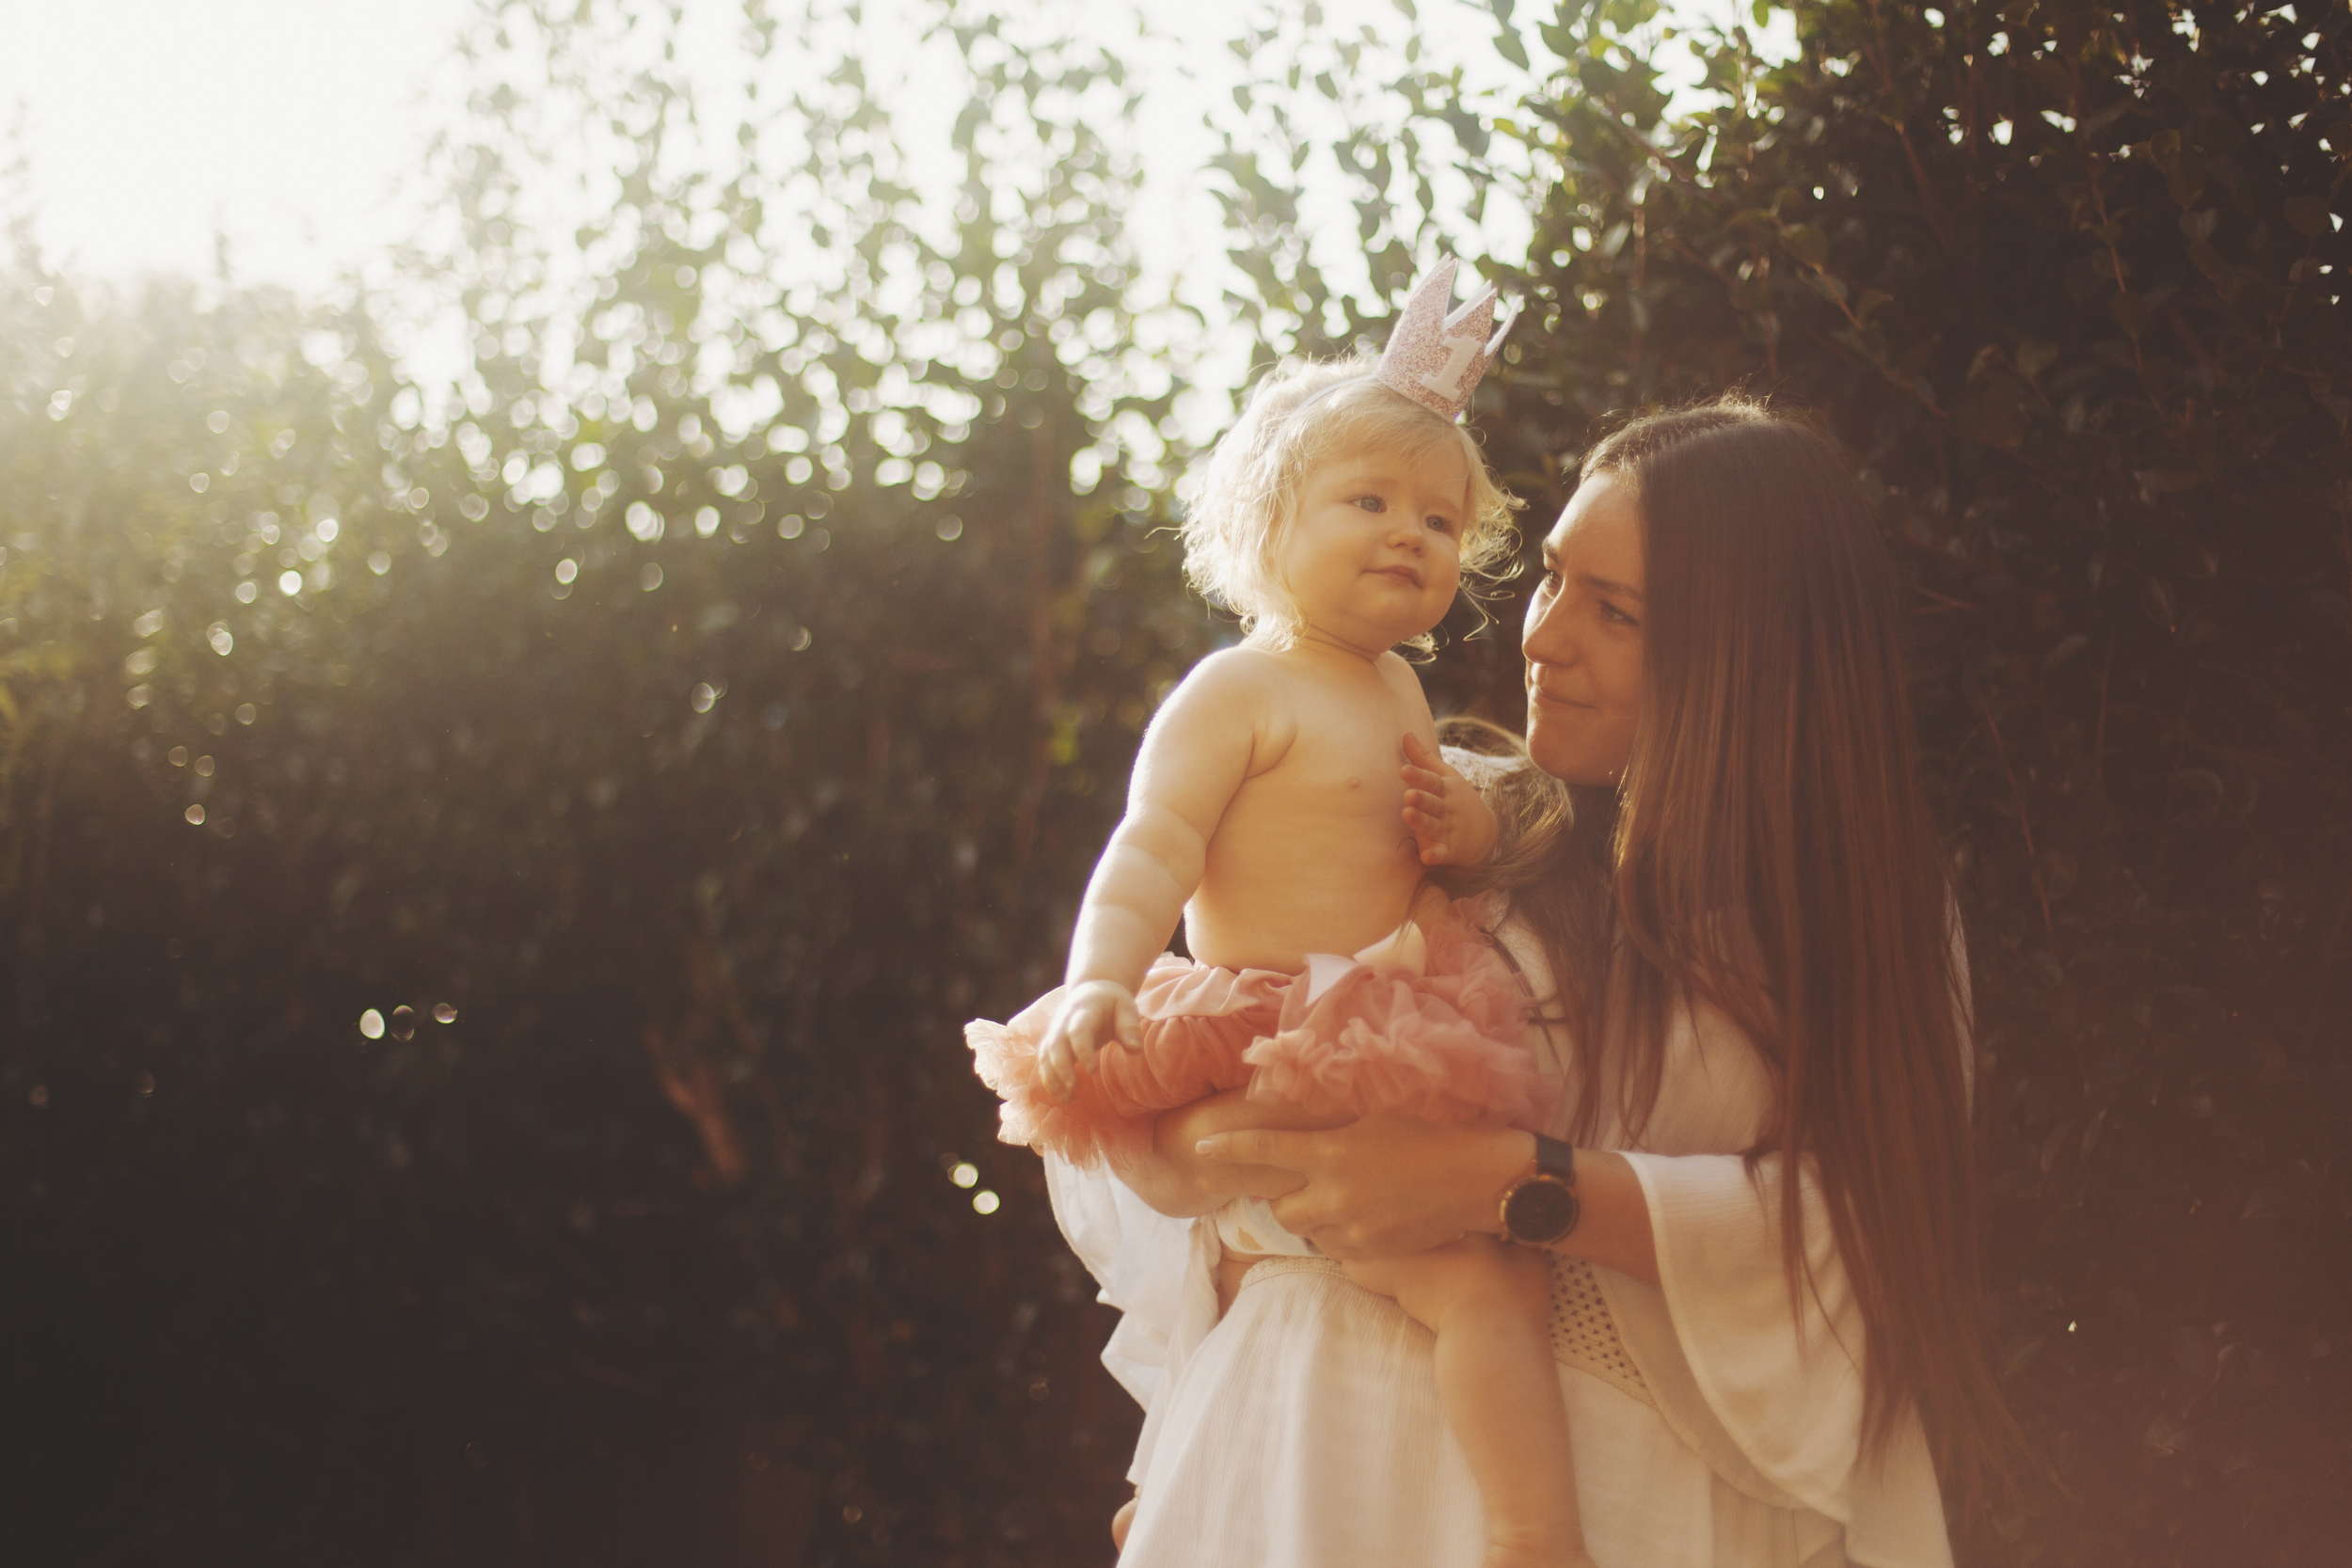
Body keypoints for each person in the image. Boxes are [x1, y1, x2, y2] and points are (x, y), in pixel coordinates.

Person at [1052, 398, 2013, 1566]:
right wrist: (1201, 1152)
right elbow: (1196, 1059)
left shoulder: (1858, 910)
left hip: (1637, 1505)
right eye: (1553, 579)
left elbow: (1871, 1223)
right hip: (1300, 1465)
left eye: (1615, 612)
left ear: (1749, 656)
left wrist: (1523, 1182)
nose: (1546, 637)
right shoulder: (1442, 816)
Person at [968, 261, 1602, 1568]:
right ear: (1268, 526)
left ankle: (1192, 1473)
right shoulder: (1239, 687)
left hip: (1382, 1014)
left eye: (1438, 519)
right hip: (1272, 1026)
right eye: (1367, 500)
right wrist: (1101, 976)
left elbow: (1429, 858)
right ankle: (1539, 1536)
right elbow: (1152, 844)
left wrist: (1463, 832)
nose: (1409, 535)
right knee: (1425, 1267)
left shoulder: (1399, 696)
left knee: (1426, 1269)